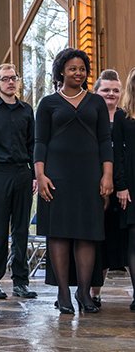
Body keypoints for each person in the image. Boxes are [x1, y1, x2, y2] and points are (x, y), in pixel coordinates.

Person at [35, 48, 113, 314]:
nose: (78, 73)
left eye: (82, 69)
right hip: (56, 177)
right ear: (61, 71)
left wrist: (107, 175)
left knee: (87, 235)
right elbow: (40, 142)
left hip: (90, 177)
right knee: (59, 234)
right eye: (72, 68)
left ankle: (83, 292)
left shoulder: (96, 103)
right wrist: (40, 175)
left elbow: (105, 140)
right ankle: (63, 293)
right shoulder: (47, 103)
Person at [0, 63, 38, 299]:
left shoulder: (26, 110)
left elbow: (33, 145)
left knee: (21, 229)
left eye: (14, 78)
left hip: (23, 173)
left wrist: (34, 174)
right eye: (5, 79)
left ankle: (21, 281)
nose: (11, 82)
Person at [90, 69, 127, 307]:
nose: (111, 94)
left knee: (124, 241)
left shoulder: (127, 118)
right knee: (98, 243)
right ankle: (94, 293)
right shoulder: (90, 118)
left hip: (124, 192)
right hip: (96, 190)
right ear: (96, 92)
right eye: (106, 90)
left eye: (115, 90)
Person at [112, 67, 135, 311]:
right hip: (131, 180)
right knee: (134, 240)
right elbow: (117, 154)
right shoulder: (123, 116)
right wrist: (122, 186)